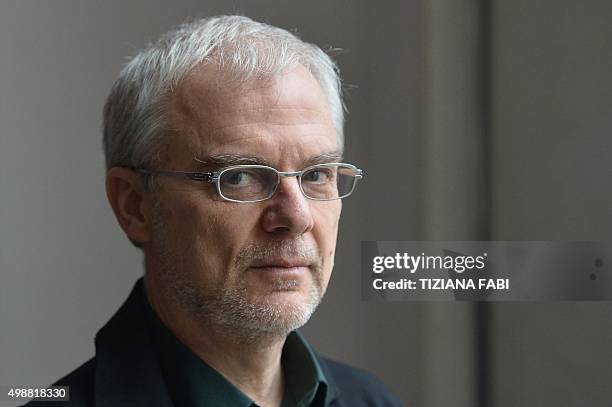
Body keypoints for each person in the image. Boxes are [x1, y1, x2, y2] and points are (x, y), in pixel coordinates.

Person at [28, 15, 401, 407]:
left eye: (317, 174)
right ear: (135, 205)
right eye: (239, 177)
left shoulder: (373, 400)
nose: (297, 216)